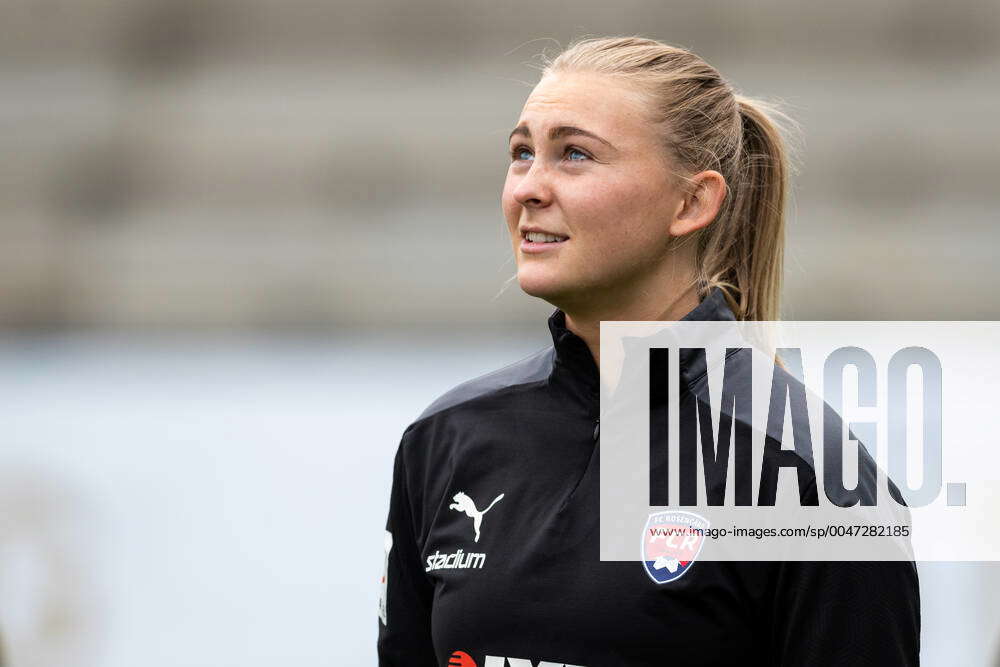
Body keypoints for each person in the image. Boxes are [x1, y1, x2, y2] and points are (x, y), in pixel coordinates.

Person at [377, 36, 920, 666]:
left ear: (692, 203)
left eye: (574, 154)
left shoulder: (809, 476)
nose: (529, 186)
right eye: (522, 153)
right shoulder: (447, 438)